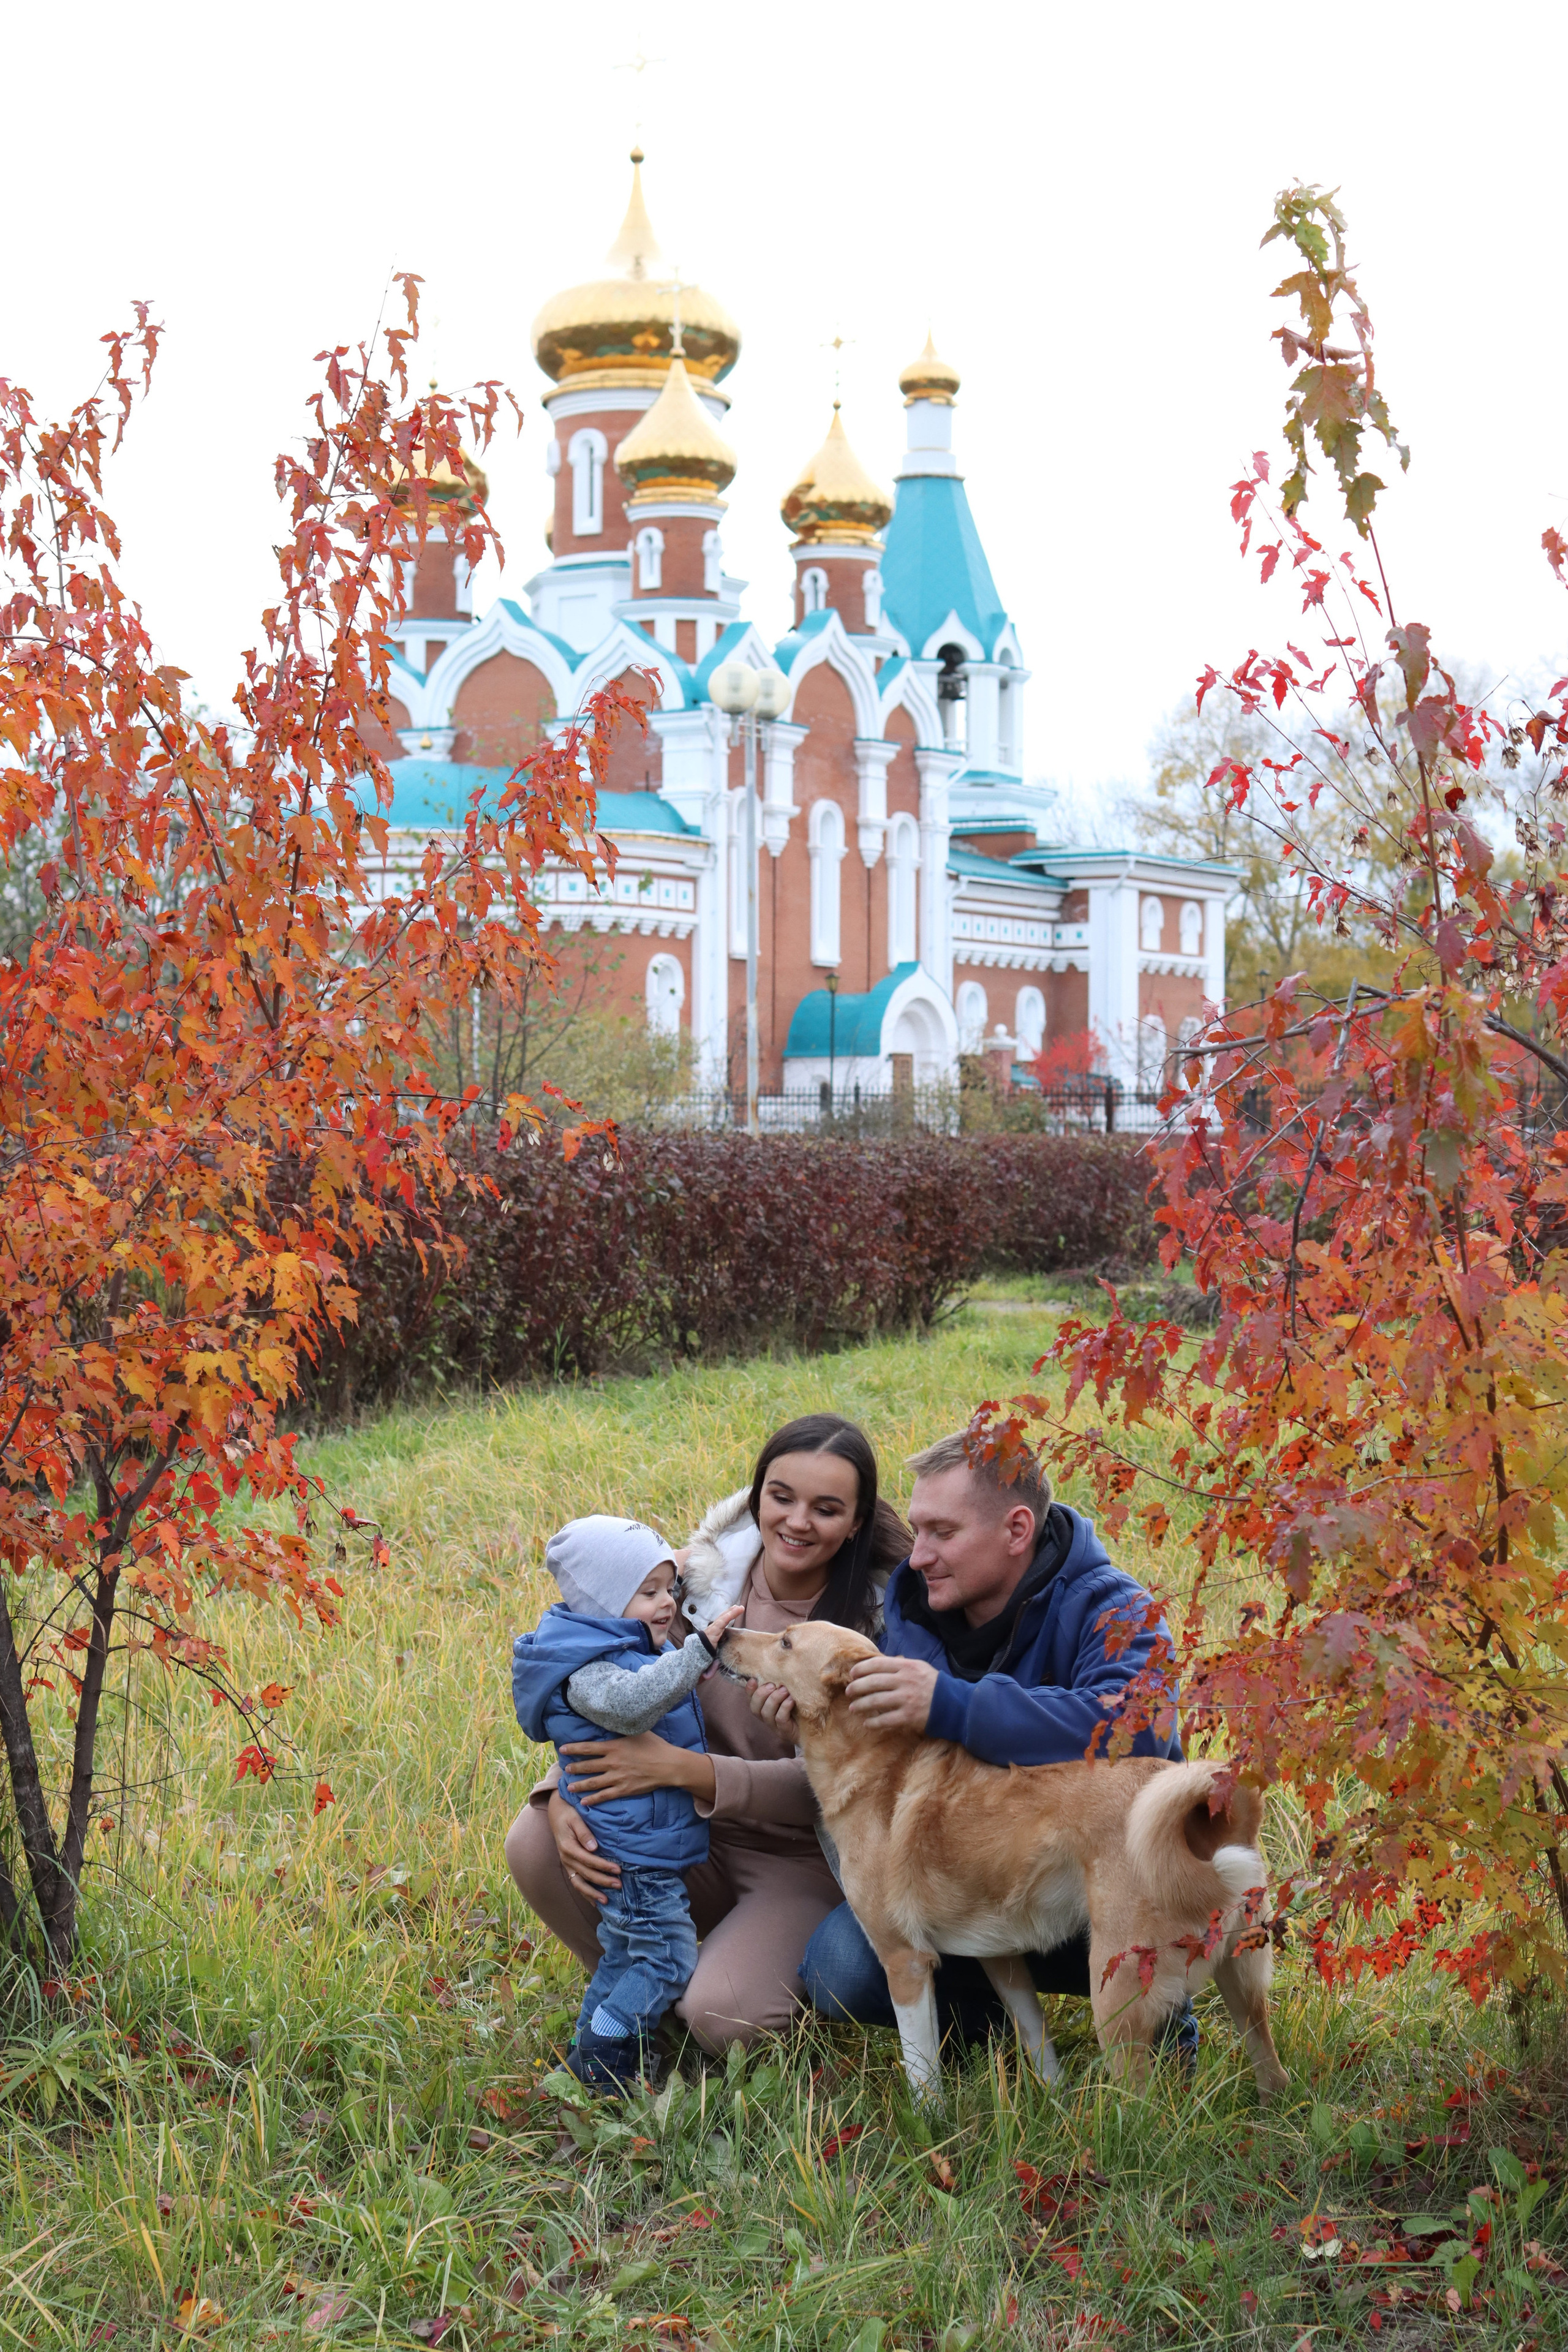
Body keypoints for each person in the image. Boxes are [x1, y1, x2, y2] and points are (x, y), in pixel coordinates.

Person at [503, 1414, 910, 2055]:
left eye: (826, 1509)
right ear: (756, 1496)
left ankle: (713, 1991)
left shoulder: (874, 1633)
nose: (797, 1522)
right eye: (781, 1497)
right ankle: (640, 2017)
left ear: (856, 1521)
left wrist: (688, 1772)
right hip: (680, 1832)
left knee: (722, 2015)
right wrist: (559, 1793)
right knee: (534, 1842)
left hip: (800, 1861)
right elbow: (611, 1693)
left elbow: (863, 1787)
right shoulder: (692, 1585)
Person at [798, 1428, 1197, 2059]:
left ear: (1016, 1530)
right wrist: (807, 1720)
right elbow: (879, 1771)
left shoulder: (1117, 1608)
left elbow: (1140, 1726)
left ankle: (1158, 2017)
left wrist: (953, 1705)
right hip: (980, 1888)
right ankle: (993, 2040)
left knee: (1128, 1904)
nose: (917, 1556)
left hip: (1106, 1884)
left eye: (942, 1532)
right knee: (839, 1964)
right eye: (918, 1530)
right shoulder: (911, 1620)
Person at [510, 1515, 744, 2089]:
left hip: (635, 1842)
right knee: (667, 1959)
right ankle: (606, 2049)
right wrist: (697, 1652)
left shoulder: (611, 1644)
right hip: (633, 1856)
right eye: (649, 1592)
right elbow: (633, 1705)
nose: (668, 1604)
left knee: (623, 1957)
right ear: (604, 1603)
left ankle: (586, 2062)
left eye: (670, 1589)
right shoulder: (589, 1670)